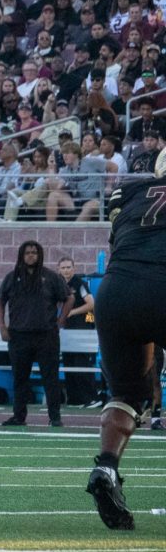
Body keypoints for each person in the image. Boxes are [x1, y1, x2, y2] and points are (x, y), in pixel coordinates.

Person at [87, 152, 166, 529]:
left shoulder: (131, 192)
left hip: (116, 291)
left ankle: (107, 467)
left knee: (128, 394)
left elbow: (120, 240)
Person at [0, 241, 70, 427]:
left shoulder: (51, 277)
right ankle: (19, 416)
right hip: (18, 336)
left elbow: (69, 297)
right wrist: (2, 327)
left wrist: (61, 320)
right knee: (20, 378)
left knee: (50, 378)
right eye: (27, 252)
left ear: (40, 255)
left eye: (34, 253)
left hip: (46, 336)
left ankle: (55, 417)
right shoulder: (12, 277)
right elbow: (0, 300)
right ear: (21, 255)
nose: (30, 256)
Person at [58, 257, 97, 406]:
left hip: (82, 327)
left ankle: (91, 398)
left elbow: (91, 304)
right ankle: (75, 399)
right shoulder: (59, 284)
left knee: (81, 363)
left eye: (69, 267)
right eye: (63, 268)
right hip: (66, 330)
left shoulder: (80, 284)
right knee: (68, 363)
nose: (66, 270)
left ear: (74, 268)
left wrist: (72, 312)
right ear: (59, 269)